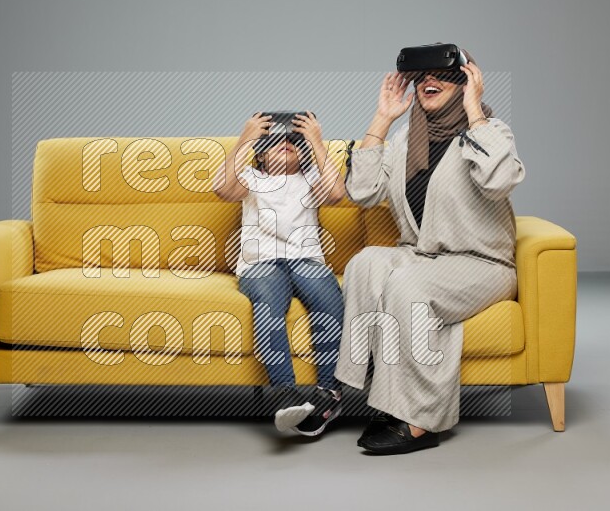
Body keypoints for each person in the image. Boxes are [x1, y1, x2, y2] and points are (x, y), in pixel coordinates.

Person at [336, 49, 526, 454]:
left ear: (465, 82)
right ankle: (356, 381)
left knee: (408, 288)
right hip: (423, 256)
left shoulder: (491, 131)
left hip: (480, 264)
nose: (428, 80)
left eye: (443, 74)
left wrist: (474, 109)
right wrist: (384, 118)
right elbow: (363, 192)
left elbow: (499, 180)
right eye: (422, 75)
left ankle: (421, 419)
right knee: (365, 263)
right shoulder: (406, 140)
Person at [213, 111, 345, 437]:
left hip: (306, 260)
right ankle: (284, 393)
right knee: (268, 302)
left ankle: (329, 392)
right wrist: (245, 138)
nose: (284, 145)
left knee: (329, 301)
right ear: (260, 155)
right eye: (274, 144)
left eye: (292, 142)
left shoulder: (312, 178)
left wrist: (314, 140)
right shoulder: (251, 178)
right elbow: (221, 189)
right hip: (261, 265)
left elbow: (337, 194)